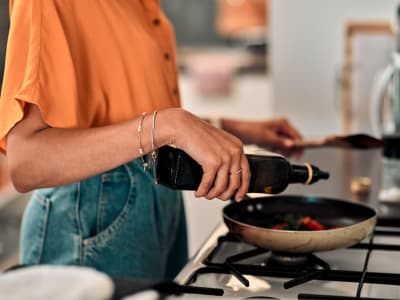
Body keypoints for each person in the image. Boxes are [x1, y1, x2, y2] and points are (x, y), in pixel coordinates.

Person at [0, 0, 302, 281]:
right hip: (90, 223)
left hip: (156, 206)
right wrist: (171, 124)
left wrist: (229, 128)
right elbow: (26, 162)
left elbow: (132, 115)